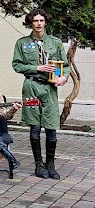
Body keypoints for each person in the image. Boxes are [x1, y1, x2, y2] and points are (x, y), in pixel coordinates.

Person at [12, 9, 70, 179]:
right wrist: (37, 68)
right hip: (31, 86)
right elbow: (17, 65)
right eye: (35, 20)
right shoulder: (22, 43)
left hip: (50, 88)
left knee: (51, 127)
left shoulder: (55, 42)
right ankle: (39, 165)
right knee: (35, 127)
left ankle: (50, 165)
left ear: (45, 22)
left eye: (41, 20)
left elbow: (64, 65)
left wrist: (62, 77)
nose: (38, 23)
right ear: (30, 23)